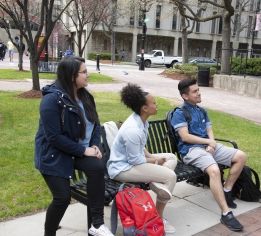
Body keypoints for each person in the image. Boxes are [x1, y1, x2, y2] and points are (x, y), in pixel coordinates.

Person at [34, 56, 114, 236]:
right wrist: (84, 150)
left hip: (78, 151)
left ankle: (97, 224)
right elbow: (53, 137)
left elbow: (95, 123)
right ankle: (49, 233)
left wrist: (94, 145)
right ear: (72, 76)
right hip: (55, 154)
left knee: (96, 168)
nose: (88, 75)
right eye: (84, 72)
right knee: (62, 198)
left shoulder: (86, 96)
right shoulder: (51, 100)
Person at [170, 78, 247, 232]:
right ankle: (226, 213)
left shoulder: (202, 110)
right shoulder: (179, 113)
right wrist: (207, 142)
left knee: (241, 156)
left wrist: (211, 143)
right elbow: (185, 137)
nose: (199, 93)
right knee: (214, 170)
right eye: (195, 91)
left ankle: (227, 190)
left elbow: (209, 130)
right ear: (185, 96)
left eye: (198, 90)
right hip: (191, 150)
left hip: (206, 147)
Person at [107, 83, 178, 234]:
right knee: (170, 177)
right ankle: (157, 218)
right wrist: (156, 162)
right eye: (154, 103)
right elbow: (135, 160)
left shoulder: (141, 121)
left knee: (171, 157)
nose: (156, 104)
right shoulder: (133, 129)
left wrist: (153, 158)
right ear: (145, 108)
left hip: (134, 162)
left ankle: (154, 181)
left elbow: (141, 147)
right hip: (122, 168)